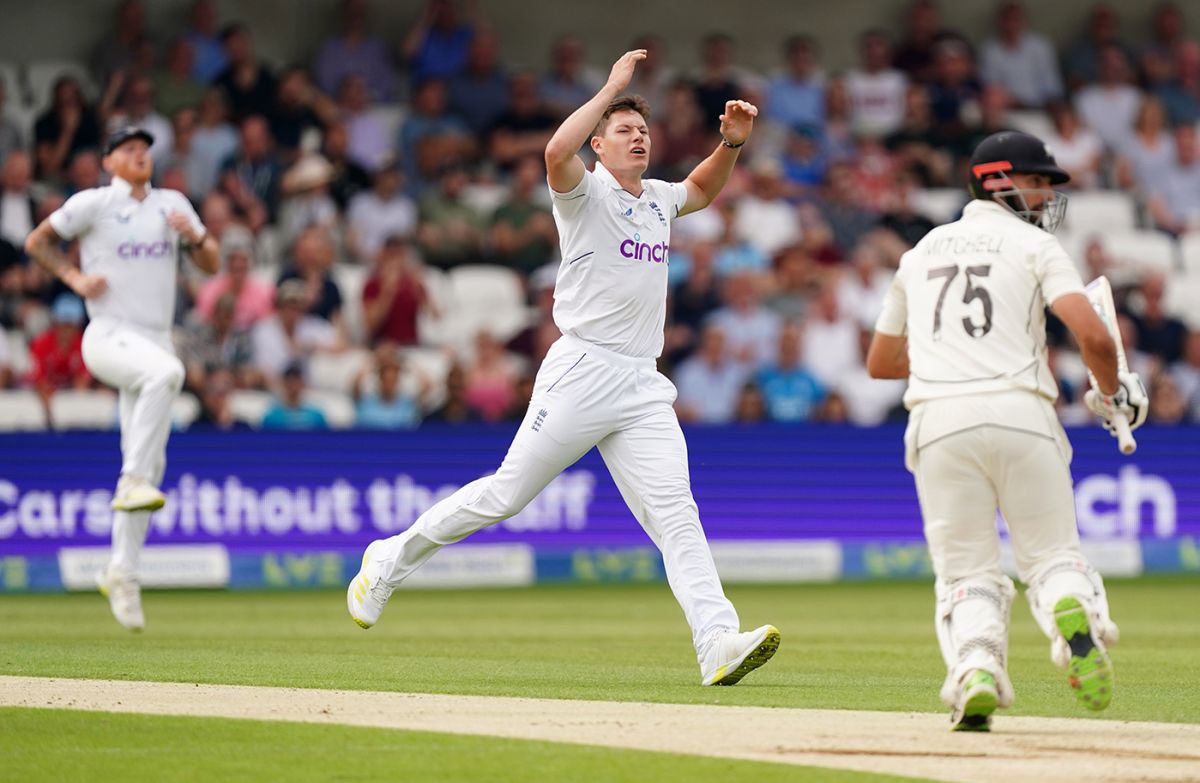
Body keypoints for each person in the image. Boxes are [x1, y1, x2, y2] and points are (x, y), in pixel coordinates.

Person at [348, 50, 781, 686]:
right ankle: (388, 558)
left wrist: (729, 144)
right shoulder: (583, 192)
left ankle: (716, 642)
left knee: (677, 512)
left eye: (643, 130)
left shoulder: (658, 199)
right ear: (599, 147)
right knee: (505, 496)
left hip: (640, 382)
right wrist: (610, 90)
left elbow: (703, 189)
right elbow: (554, 154)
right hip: (580, 370)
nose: (638, 137)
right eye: (623, 131)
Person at [865, 130, 1148, 731]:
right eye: (1039, 182)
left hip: (938, 424)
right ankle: (1070, 609)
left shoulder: (920, 253)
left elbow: (881, 363)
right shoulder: (1034, 247)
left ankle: (976, 671)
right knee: (1051, 558)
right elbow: (1095, 337)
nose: (1047, 195)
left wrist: (947, 359)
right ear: (997, 180)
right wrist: (1112, 390)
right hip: (1022, 415)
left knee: (966, 572)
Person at [24, 126, 219, 631]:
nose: (140, 156)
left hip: (153, 336)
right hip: (108, 334)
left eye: (145, 150)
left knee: (152, 464)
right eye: (128, 150)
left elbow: (211, 260)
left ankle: (122, 572)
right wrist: (74, 279)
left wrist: (195, 237)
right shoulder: (92, 204)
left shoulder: (172, 202)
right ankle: (131, 480)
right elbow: (37, 241)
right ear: (108, 160)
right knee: (169, 376)